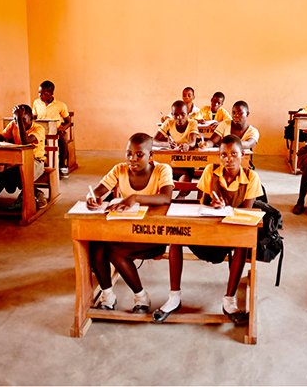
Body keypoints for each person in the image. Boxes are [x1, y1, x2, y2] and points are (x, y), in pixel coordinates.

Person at [153, 135, 262, 324]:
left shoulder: (251, 177)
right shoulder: (210, 171)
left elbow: (247, 211)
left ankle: (229, 300)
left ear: (242, 154)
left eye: (234, 154)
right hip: (207, 230)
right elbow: (201, 203)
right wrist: (212, 203)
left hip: (231, 232)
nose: (228, 159)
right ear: (218, 156)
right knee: (176, 236)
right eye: (224, 155)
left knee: (242, 244)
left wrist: (226, 209)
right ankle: (174, 297)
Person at [86, 133, 173, 312]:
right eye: (128, 154)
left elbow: (166, 198)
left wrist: (135, 197)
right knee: (95, 245)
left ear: (151, 156)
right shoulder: (119, 169)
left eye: (139, 154)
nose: (132, 159)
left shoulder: (162, 170)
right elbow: (97, 191)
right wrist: (91, 197)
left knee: (115, 253)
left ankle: (141, 298)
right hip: (123, 232)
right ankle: (108, 296)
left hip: (153, 235)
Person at [0, 104, 47, 218]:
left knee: (16, 175)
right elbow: (1, 137)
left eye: (23, 120)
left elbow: (25, 142)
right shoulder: (13, 124)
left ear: (31, 118)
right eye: (15, 119)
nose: (18, 123)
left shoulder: (38, 129)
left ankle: (30, 196)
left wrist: (18, 119)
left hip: (36, 161)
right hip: (17, 160)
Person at [32, 80, 71, 178]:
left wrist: (63, 128)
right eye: (39, 93)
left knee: (63, 139)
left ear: (51, 93)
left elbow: (68, 121)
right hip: (41, 131)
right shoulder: (36, 103)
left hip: (56, 131)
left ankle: (62, 165)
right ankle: (37, 164)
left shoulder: (60, 105)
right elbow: (34, 118)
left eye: (45, 94)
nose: (41, 96)